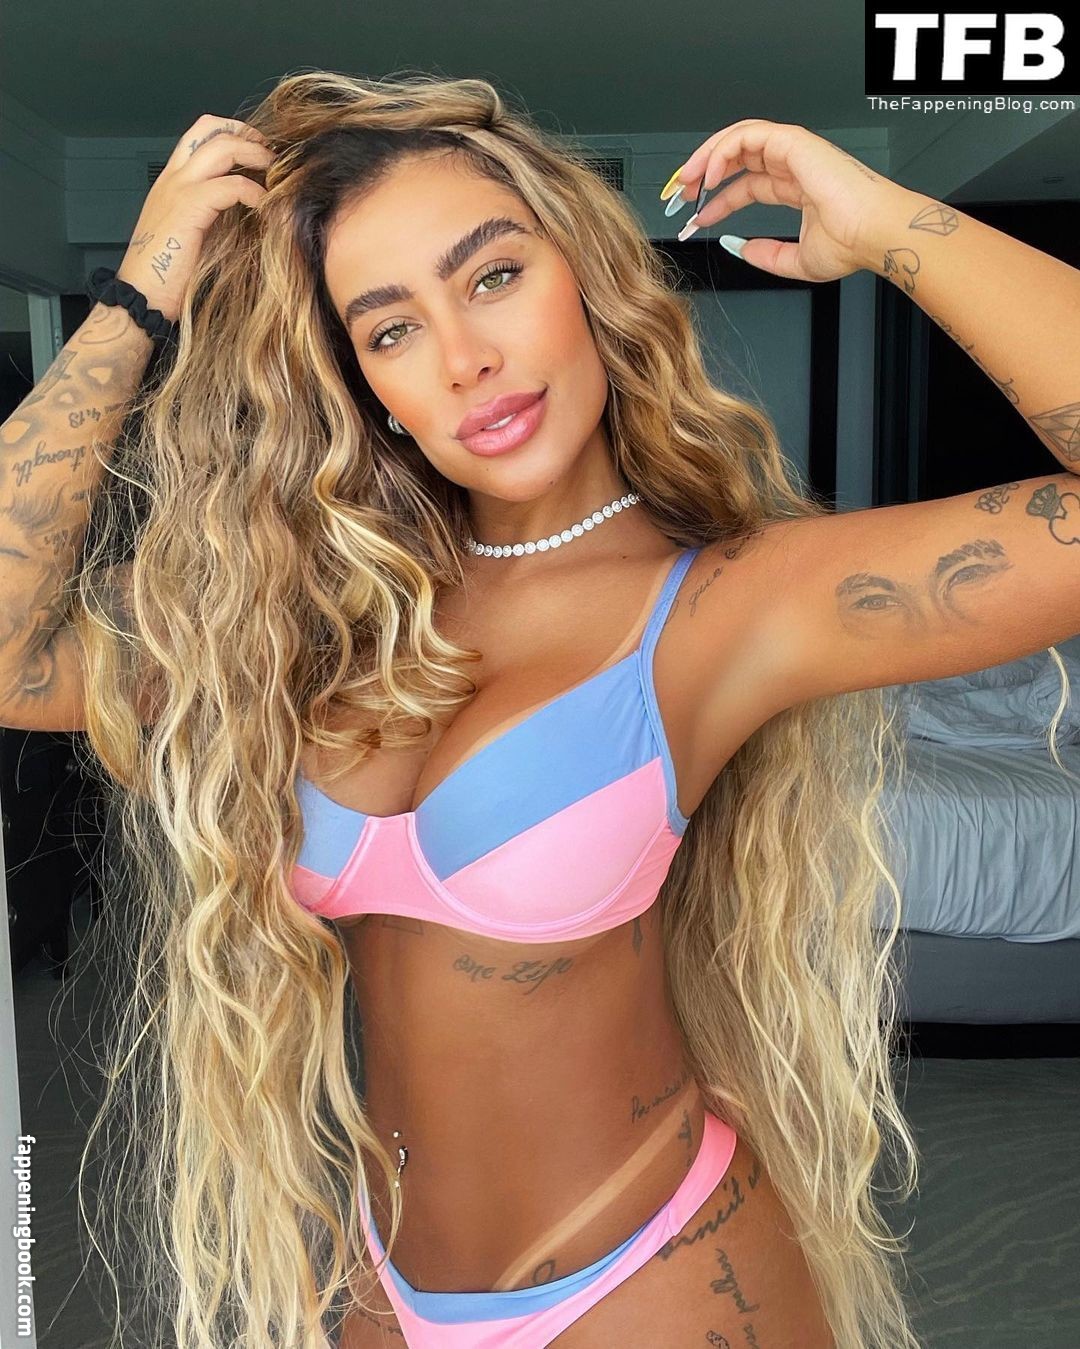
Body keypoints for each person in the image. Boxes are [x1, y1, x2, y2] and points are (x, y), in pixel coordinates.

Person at [4, 69, 1077, 1349]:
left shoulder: (725, 606)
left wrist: (892, 220)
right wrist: (142, 294)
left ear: (587, 277)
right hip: (386, 1285)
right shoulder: (313, 624)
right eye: (390, 330)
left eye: (495, 275)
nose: (466, 358)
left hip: (655, 1276)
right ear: (365, 385)